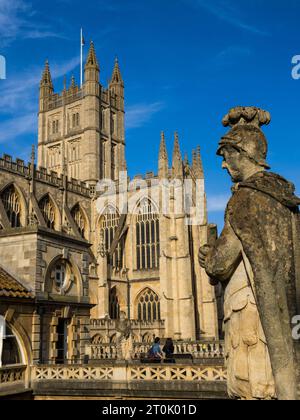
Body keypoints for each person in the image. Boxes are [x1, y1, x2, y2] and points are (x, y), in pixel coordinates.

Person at [199, 106, 300, 400]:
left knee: (252, 390)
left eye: (225, 156)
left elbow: (220, 264)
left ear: (241, 154)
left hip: (250, 319)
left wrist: (208, 256)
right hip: (284, 316)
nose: (223, 165)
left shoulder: (244, 200)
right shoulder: (285, 201)